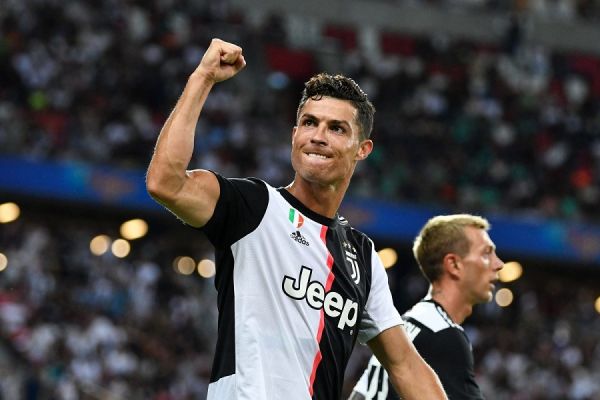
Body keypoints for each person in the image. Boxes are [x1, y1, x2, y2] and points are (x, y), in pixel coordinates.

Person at [146, 38, 447, 400]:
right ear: (294, 136)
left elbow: (405, 365)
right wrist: (203, 77)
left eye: (336, 128)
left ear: (362, 149)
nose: (318, 137)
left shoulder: (362, 256)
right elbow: (166, 182)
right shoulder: (254, 207)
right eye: (309, 123)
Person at [348, 214, 504, 399]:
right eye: (486, 253)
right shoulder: (445, 336)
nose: (499, 264)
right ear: (454, 264)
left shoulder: (405, 325)